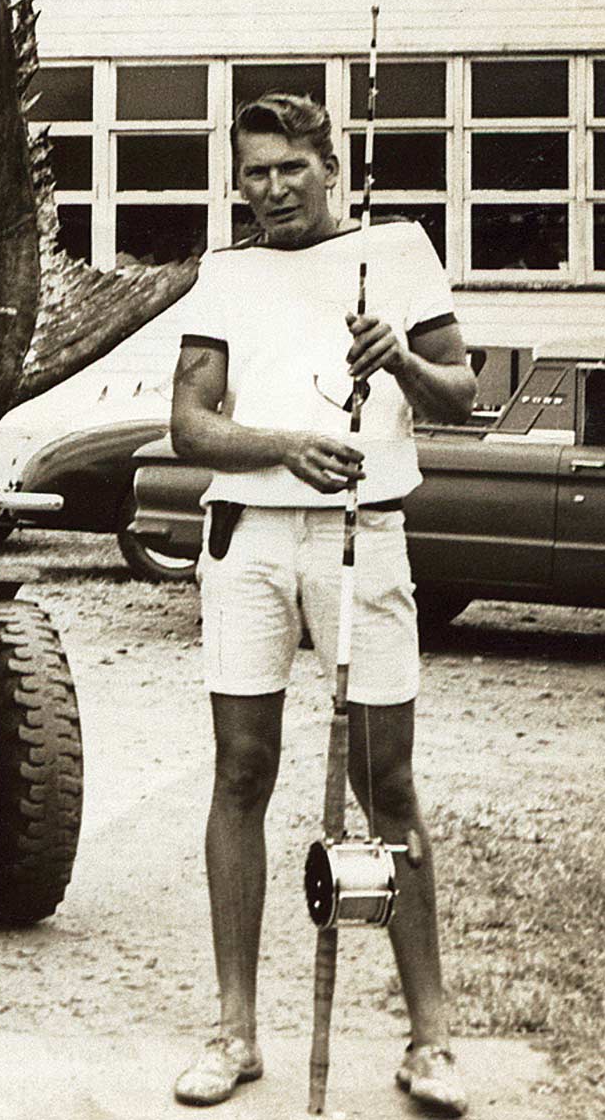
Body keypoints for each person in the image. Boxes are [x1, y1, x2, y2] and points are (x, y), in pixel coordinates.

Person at [168, 94, 475, 1116]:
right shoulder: (227, 271)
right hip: (248, 539)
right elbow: (190, 426)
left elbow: (463, 394)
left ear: (328, 164)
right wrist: (280, 448)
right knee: (241, 770)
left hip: (365, 532)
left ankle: (431, 1041)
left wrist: (401, 357)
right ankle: (235, 1031)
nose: (271, 188)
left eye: (289, 167)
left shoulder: (398, 251)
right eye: (253, 171)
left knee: (386, 783)